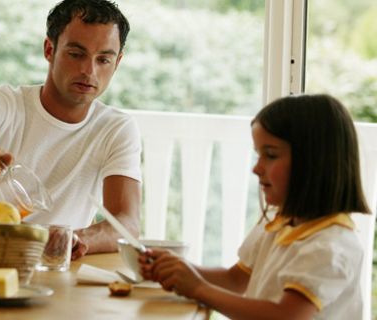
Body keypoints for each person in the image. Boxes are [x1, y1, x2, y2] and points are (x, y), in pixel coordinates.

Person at [0, 0, 141, 260]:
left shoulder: (116, 128)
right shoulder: (6, 102)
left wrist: (75, 238)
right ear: (49, 49)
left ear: (117, 62)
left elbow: (126, 223)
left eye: (103, 59)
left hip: (53, 265)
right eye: (76, 54)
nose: (89, 71)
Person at [140, 94, 370, 319]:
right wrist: (176, 269)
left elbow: (285, 316)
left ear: (313, 163)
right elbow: (234, 281)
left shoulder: (330, 247)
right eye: (258, 155)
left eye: (270, 155)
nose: (256, 168)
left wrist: (198, 288)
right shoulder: (278, 222)